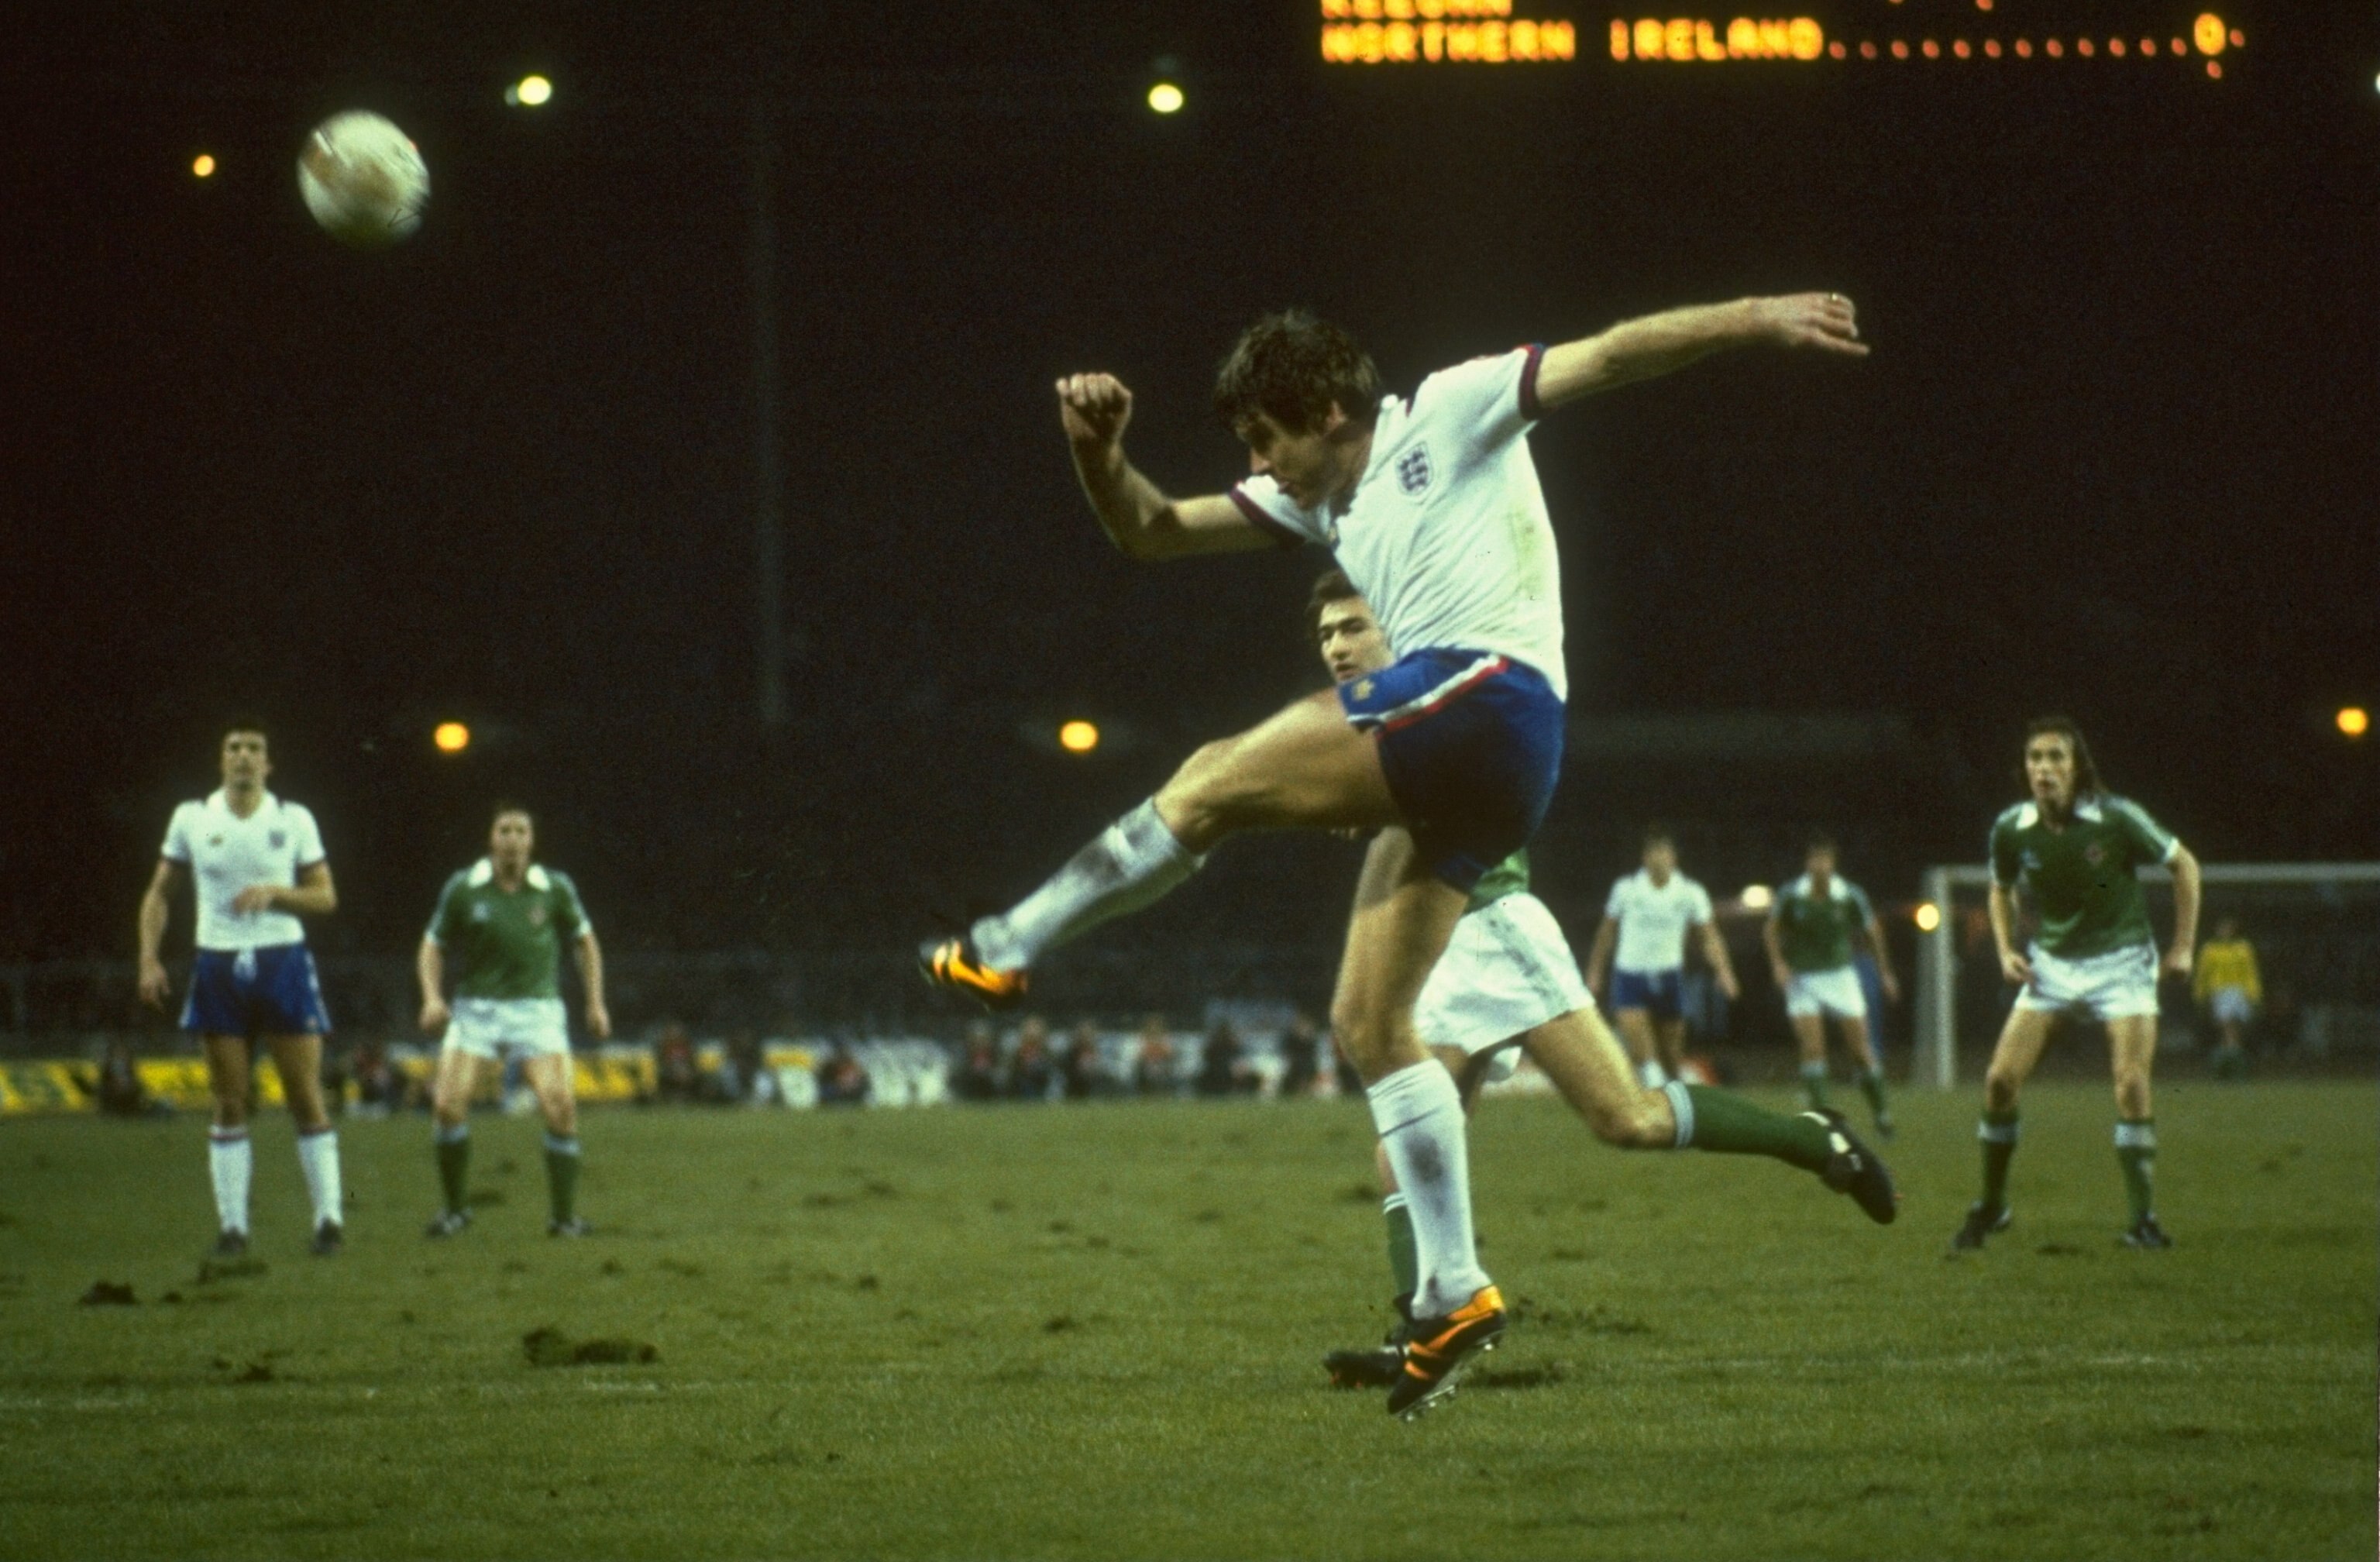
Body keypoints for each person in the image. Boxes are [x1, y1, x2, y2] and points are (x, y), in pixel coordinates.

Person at [918, 296, 1866, 1417]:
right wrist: (1100, 455)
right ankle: (1453, 1293)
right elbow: (1152, 531)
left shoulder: (1451, 410)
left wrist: (1756, 317)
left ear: (1330, 411)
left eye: (1270, 437)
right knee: (1371, 1028)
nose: (1260, 462)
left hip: (1491, 695)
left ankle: (1006, 945)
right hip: (1474, 775)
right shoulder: (1320, 502)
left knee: (1216, 776)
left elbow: (1608, 356)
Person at [1301, 575, 1897, 1392]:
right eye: (1327, 633)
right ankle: (1424, 1331)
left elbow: (1449, 788)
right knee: (1402, 1147)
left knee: (1629, 1119)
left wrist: (1359, 802)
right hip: (1435, 950)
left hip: (1496, 931)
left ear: (1395, 628)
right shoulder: (1376, 719)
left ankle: (1814, 1139)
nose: (1336, 645)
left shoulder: (1443, 692)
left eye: (1353, 627)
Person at [1954, 717, 2200, 1251]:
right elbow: (2000, 890)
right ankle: (1993, 1206)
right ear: (2024, 770)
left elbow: (2185, 866)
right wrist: (2004, 950)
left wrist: (2182, 948)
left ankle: (2144, 1221)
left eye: (2055, 758)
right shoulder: (2012, 828)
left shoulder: (2116, 818)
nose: (2044, 768)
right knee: (1999, 1081)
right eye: (2035, 759)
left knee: (2131, 1085)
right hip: (2055, 968)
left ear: (2077, 767)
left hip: (2124, 964)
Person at [136, 721, 345, 1257]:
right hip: (218, 965)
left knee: (304, 1095)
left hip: (283, 962)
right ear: (221, 759)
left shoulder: (293, 819)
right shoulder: (193, 818)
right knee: (229, 1100)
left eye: (255, 749)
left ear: (269, 764)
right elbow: (160, 893)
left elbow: (325, 898)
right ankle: (233, 1229)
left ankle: (329, 1220)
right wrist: (149, 957)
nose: (244, 757)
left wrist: (276, 892)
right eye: (234, 748)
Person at [417, 805, 609, 1239]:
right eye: (504, 830)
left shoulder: (554, 888)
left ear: (532, 841)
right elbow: (433, 945)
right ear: (491, 839)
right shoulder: (465, 888)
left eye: (521, 830)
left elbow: (586, 943)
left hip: (536, 1011)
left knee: (560, 1108)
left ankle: (563, 1220)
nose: (513, 838)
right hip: (476, 1011)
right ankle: (455, 1212)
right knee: (447, 1106)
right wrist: (432, 998)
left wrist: (595, 1003)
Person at [1764, 835, 1900, 1137]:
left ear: (1833, 864)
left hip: (1841, 977)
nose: (1820, 866)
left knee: (1861, 1051)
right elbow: (1771, 930)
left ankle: (1882, 1114)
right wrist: (1779, 964)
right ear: (1807, 864)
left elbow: (1873, 932)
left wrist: (1885, 973)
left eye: (1825, 860)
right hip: (1802, 980)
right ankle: (1826, 1124)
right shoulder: (1792, 895)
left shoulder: (1849, 895)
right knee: (1813, 1049)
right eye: (1815, 860)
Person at [1585, 827, 1740, 1087]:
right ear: (1644, 858)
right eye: (1652, 852)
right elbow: (1606, 933)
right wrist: (1595, 973)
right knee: (1643, 1055)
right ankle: (1654, 1103)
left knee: (1671, 1059)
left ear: (1673, 857)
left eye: (1663, 851)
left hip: (1669, 977)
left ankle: (1676, 1105)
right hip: (1630, 976)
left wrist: (1724, 972)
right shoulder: (1626, 889)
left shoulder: (1690, 892)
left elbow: (1709, 937)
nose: (1658, 858)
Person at [2193, 916, 2260, 1079]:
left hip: (2240, 992)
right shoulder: (2210, 949)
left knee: (2235, 1030)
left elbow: (2250, 972)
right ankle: (2235, 1067)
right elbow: (2203, 973)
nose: (2225, 931)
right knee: (2228, 1027)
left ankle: (2226, 1064)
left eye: (2228, 928)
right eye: (2222, 928)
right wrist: (2200, 993)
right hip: (2220, 991)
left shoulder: (2244, 948)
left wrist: (2254, 994)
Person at [1061, 1021, 1111, 1100]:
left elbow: (1105, 1068)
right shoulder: (1071, 1053)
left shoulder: (1098, 1050)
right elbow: (1069, 1072)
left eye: (1089, 1034)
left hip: (1096, 1081)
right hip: (1077, 1086)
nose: (1086, 1037)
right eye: (1083, 1034)